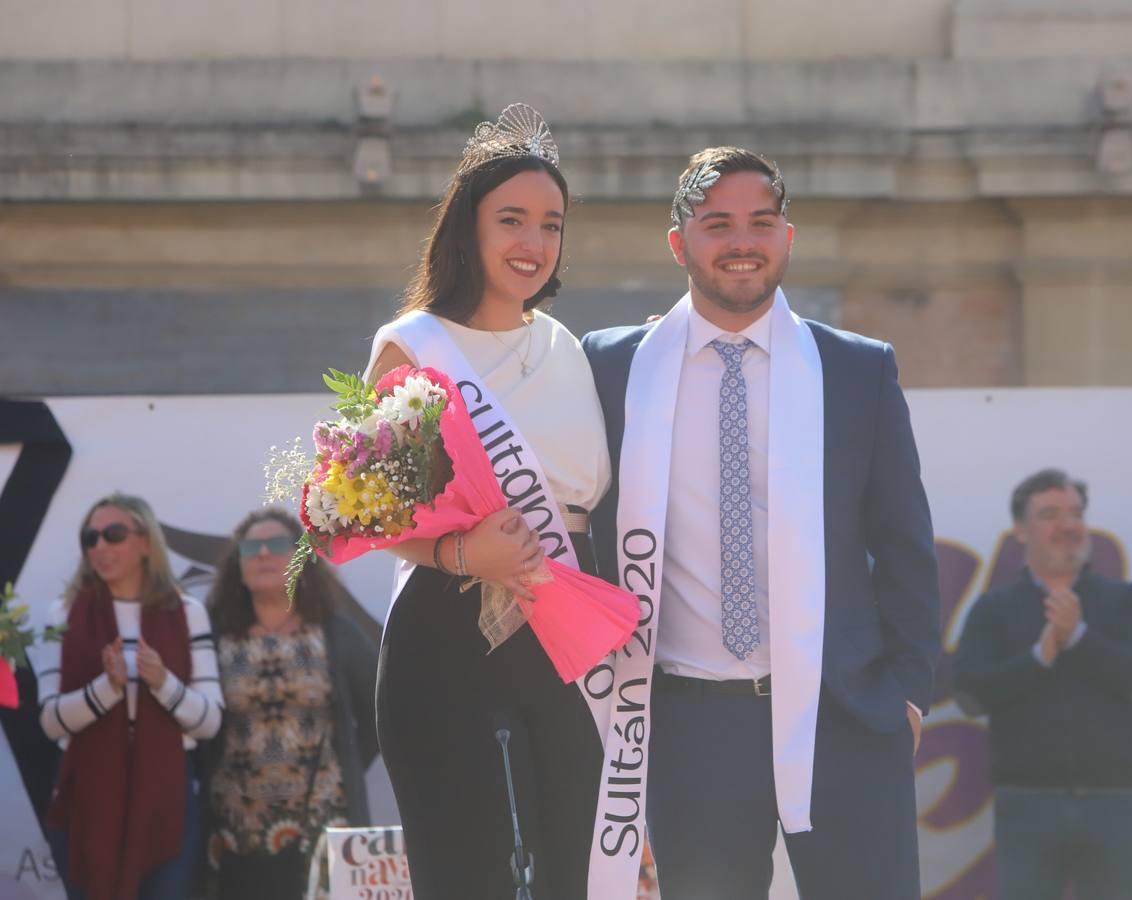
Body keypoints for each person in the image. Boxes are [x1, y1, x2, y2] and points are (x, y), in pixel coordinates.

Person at [582, 146, 941, 900]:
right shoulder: (612, 368)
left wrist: (908, 694)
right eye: (718, 224)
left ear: (787, 237)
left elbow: (903, 544)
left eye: (761, 221)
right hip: (688, 725)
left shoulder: (857, 369)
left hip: (842, 714)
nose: (741, 241)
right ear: (679, 243)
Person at [364, 103, 611, 899]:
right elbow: (363, 510)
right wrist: (468, 552)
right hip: (446, 628)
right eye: (512, 219)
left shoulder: (570, 349)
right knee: (470, 873)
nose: (532, 243)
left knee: (570, 869)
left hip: (566, 630)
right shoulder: (414, 345)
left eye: (551, 224)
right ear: (467, 227)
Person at [954, 469, 1132, 900]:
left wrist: (1080, 638)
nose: (1068, 525)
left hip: (1113, 804)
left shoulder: (1124, 601)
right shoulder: (994, 610)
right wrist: (1039, 657)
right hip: (1027, 805)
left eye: (1075, 513)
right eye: (1050, 514)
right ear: (1019, 531)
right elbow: (970, 696)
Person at [35, 493, 223, 900]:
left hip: (167, 799)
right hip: (87, 802)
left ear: (145, 542)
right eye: (91, 537)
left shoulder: (188, 612)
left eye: (114, 534)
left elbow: (209, 721)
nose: (100, 546)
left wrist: (162, 682)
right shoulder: (63, 613)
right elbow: (51, 721)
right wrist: (109, 688)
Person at [203, 507, 378, 899]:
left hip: (323, 828)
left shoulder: (335, 631)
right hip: (234, 832)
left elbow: (378, 711)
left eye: (277, 544)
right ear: (238, 564)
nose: (263, 553)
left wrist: (344, 763)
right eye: (251, 547)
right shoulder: (213, 635)